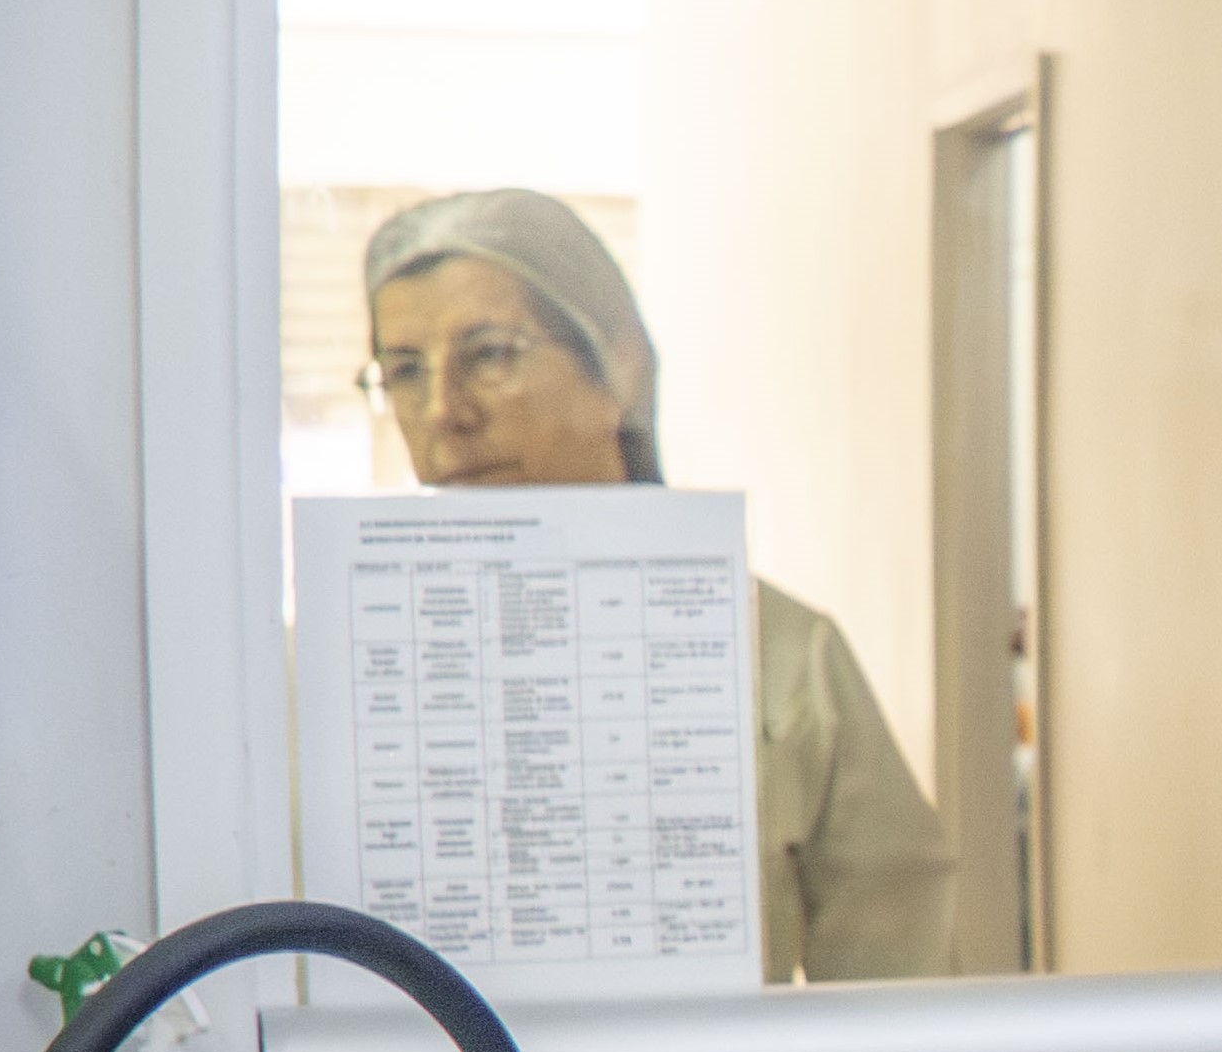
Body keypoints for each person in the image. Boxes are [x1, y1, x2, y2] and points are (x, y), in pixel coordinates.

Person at [362, 190, 954, 983]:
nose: (443, 412)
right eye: (404, 371)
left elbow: (900, 983)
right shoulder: (349, 675)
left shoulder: (781, 656)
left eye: (491, 355)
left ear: (620, 365)